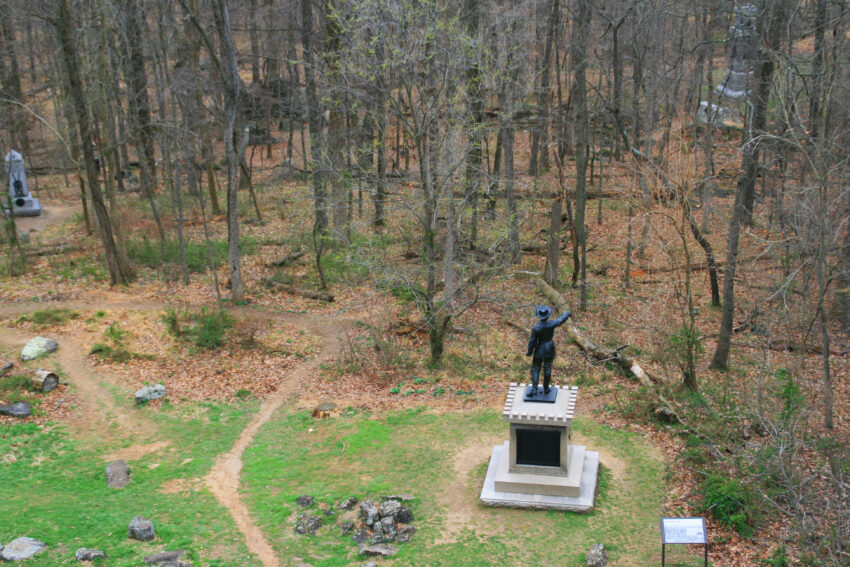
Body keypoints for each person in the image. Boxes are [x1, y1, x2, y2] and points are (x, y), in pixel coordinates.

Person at [525, 305, 570, 396]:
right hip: (549, 348)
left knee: (535, 369)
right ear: (548, 315)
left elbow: (532, 341)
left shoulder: (536, 328)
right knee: (547, 368)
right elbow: (561, 320)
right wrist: (566, 314)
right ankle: (546, 388)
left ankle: (534, 389)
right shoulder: (551, 324)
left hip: (539, 349)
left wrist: (529, 352)